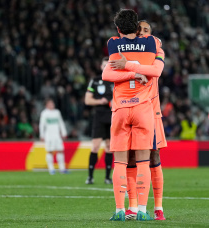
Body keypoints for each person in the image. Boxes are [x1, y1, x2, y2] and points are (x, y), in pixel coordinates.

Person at [102, 9, 163, 221]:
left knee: (119, 162)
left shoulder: (112, 44)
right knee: (143, 161)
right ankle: (143, 211)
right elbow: (156, 71)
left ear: (118, 28)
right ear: (137, 27)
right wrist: (138, 71)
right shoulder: (152, 43)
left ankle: (120, 210)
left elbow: (107, 74)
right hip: (144, 108)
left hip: (120, 108)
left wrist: (128, 70)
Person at [85, 57, 113, 184]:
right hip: (99, 116)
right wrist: (99, 101)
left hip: (112, 116)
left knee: (109, 147)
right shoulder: (95, 81)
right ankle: (90, 176)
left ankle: (107, 177)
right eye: (104, 65)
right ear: (101, 67)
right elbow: (87, 100)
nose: (106, 67)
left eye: (108, 65)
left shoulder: (116, 80)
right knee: (95, 146)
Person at [39, 98, 68, 175]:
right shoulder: (44, 113)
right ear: (46, 105)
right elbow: (42, 125)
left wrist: (64, 132)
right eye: (50, 103)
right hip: (49, 135)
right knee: (50, 151)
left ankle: (62, 168)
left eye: (52, 103)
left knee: (60, 150)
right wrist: (41, 135)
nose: (52, 105)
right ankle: (51, 169)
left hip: (57, 135)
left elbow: (61, 122)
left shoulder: (57, 112)